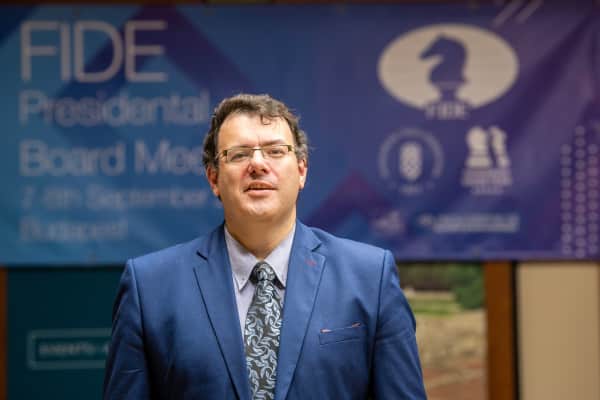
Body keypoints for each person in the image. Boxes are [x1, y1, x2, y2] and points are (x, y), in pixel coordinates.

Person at [103, 93, 427, 399]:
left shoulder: (369, 278)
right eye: (239, 154)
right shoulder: (150, 287)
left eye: (275, 151)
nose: (257, 164)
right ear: (213, 178)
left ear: (301, 170)